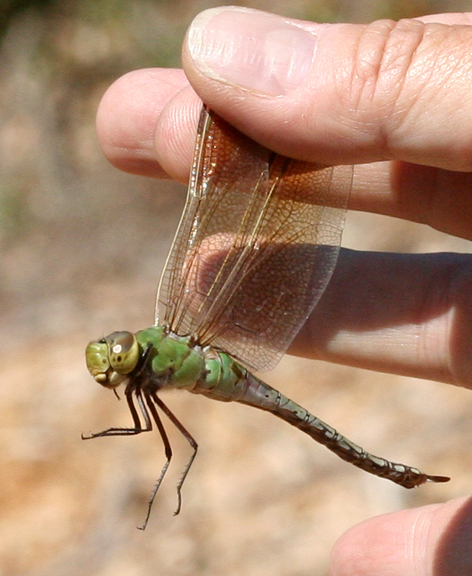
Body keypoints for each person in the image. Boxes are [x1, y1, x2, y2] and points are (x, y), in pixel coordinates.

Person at [95, 7, 472, 574]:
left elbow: (171, 438)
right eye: (109, 364)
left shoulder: (161, 347)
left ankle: (393, 470)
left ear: (138, 352)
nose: (114, 367)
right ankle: (397, 471)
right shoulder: (144, 378)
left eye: (116, 356)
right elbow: (147, 425)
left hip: (226, 365)